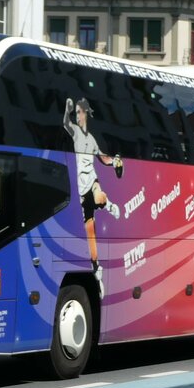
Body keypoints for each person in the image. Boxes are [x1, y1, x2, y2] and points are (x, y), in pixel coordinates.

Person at [64, 96, 122, 294]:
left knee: (99, 196)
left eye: (80, 112)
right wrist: (67, 108)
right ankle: (97, 270)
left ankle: (109, 205)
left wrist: (114, 162)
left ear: (86, 113)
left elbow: (103, 158)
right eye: (76, 112)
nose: (77, 115)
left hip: (92, 182)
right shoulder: (76, 134)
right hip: (81, 191)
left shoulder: (92, 140)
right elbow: (65, 123)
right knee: (91, 235)